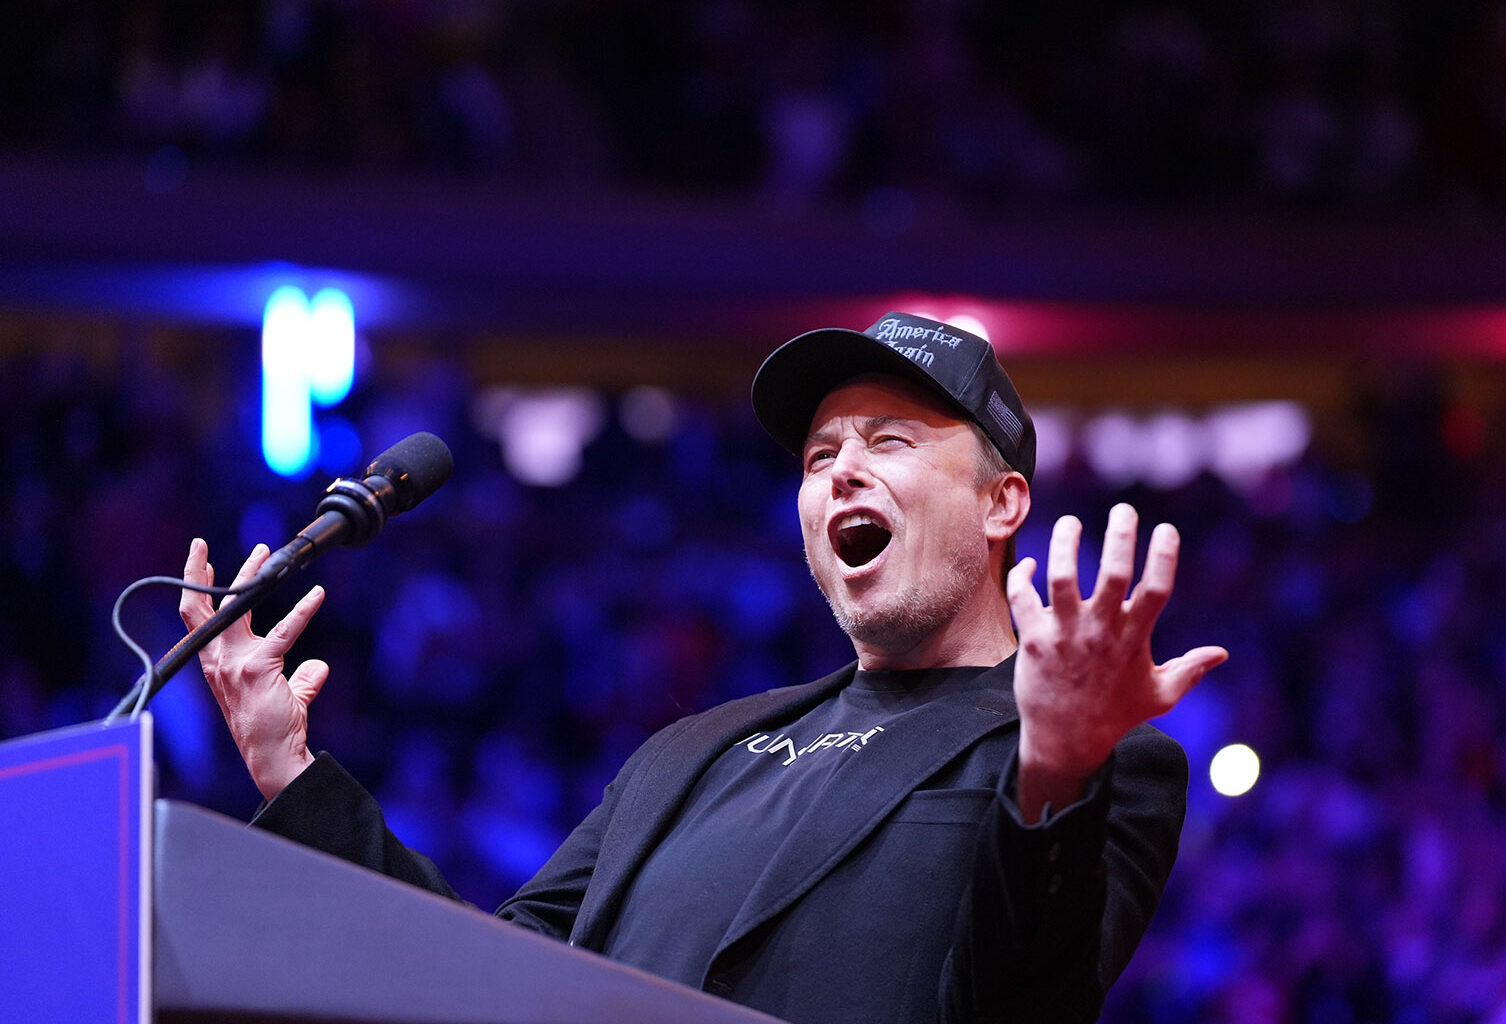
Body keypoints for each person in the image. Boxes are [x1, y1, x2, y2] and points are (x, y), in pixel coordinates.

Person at [180, 311, 1228, 1024]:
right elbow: (483, 981)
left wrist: (1054, 771)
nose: (843, 468)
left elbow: (1016, 1010)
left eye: (891, 441)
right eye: (821, 458)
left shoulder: (1094, 765)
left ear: (1002, 505)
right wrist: (291, 768)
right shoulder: (687, 754)